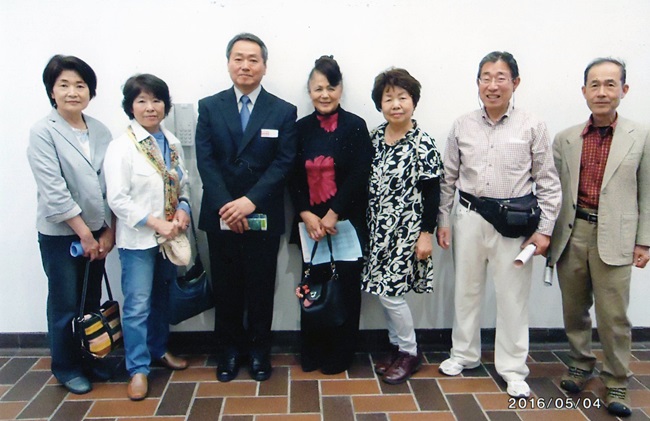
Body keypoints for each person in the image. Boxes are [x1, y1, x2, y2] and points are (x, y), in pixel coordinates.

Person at [436, 51, 561, 398]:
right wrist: (443, 220)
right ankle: (464, 354)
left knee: (512, 298)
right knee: (466, 290)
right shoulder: (462, 125)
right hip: (469, 217)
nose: (492, 85)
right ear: (477, 83)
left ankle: (513, 369)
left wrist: (544, 230)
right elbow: (448, 178)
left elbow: (548, 182)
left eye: (501, 77)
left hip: (514, 223)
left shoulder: (533, 125)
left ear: (515, 83)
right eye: (486, 78)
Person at [549, 58, 650, 417]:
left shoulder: (641, 136)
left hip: (617, 237)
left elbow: (647, 193)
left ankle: (617, 380)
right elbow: (553, 193)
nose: (602, 92)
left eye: (610, 84)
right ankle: (579, 362)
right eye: (595, 84)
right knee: (574, 308)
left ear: (624, 89)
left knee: (613, 316)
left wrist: (644, 240)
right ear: (584, 91)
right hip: (572, 233)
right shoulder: (566, 139)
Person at [195, 33, 297, 382]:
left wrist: (250, 201)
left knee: (260, 288)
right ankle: (228, 352)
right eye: (238, 58)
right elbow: (206, 161)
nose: (245, 65)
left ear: (264, 66)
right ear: (228, 63)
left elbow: (283, 162)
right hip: (221, 213)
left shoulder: (283, 111)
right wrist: (228, 205)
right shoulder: (209, 107)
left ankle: (258, 352)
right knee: (226, 289)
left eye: (253, 59)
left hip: (262, 213)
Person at [27, 55, 115, 394]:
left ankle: (91, 359)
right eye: (63, 85)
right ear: (52, 91)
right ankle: (66, 367)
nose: (72, 92)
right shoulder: (43, 132)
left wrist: (108, 231)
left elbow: (111, 185)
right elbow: (55, 191)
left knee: (89, 302)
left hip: (98, 232)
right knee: (65, 304)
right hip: (63, 235)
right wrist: (85, 234)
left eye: (80, 85)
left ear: (90, 91)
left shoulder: (100, 130)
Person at [104, 74, 190, 401]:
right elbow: (117, 199)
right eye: (141, 101)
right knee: (138, 305)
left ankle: (158, 349)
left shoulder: (172, 143)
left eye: (156, 100)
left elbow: (183, 183)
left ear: (165, 105)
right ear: (131, 106)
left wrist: (183, 209)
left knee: (161, 298)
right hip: (138, 241)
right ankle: (138, 368)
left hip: (169, 238)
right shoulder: (121, 147)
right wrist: (156, 223)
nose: (150, 107)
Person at [289, 56, 373, 374]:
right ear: (309, 91)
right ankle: (312, 353)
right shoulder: (299, 129)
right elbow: (291, 175)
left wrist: (334, 213)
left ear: (341, 89)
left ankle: (340, 355)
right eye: (318, 88)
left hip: (345, 223)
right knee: (312, 287)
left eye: (331, 87)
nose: (325, 94)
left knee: (345, 289)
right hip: (310, 225)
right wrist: (306, 214)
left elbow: (359, 174)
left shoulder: (355, 126)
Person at [361, 68, 443, 385]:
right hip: (377, 230)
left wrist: (426, 235)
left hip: (406, 232)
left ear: (413, 101)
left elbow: (433, 194)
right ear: (380, 104)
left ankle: (409, 352)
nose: (396, 104)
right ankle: (396, 347)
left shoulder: (423, 143)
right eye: (388, 98)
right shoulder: (374, 138)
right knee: (383, 292)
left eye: (402, 97)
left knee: (392, 294)